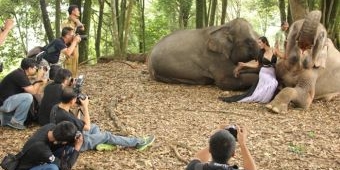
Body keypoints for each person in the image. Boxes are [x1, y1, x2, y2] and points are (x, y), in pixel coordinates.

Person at [49, 87, 155, 152]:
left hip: (67, 136)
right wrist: (85, 107)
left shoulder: (57, 107)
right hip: (76, 143)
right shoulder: (67, 117)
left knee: (95, 127)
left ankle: (99, 143)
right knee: (106, 135)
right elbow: (87, 127)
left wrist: (78, 109)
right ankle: (138, 142)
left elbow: (76, 122)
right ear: (72, 100)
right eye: (76, 99)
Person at [219, 36, 278, 103]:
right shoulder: (261, 53)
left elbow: (284, 56)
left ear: (265, 42)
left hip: (272, 73)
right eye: (258, 43)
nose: (259, 45)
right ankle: (262, 98)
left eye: (260, 43)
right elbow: (256, 65)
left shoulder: (273, 50)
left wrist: (278, 48)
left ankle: (263, 96)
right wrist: (244, 64)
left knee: (271, 84)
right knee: (274, 83)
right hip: (264, 72)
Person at [0, 58, 47, 130]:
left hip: (6, 102)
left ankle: (8, 120)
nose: (36, 70)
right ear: (29, 68)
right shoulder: (19, 75)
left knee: (28, 96)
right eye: (35, 68)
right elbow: (33, 92)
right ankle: (17, 122)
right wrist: (38, 78)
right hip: (4, 103)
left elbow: (37, 92)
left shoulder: (20, 73)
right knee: (28, 97)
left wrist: (40, 81)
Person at [16, 121, 83, 170]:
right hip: (28, 167)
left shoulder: (51, 126)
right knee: (53, 168)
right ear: (62, 142)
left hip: (41, 157)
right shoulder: (41, 148)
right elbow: (66, 167)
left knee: (70, 149)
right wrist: (77, 149)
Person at [186, 124, 257, 170]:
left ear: (210, 150)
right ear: (233, 154)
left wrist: (217, 136)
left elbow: (198, 158)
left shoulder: (195, 167)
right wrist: (243, 144)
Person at [61, 4, 85, 77]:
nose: (79, 12)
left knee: (75, 67)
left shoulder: (76, 22)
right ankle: (67, 83)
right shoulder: (66, 22)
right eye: (77, 10)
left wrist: (77, 21)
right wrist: (75, 38)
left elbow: (82, 28)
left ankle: (73, 82)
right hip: (68, 47)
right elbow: (67, 36)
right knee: (69, 66)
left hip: (75, 47)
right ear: (73, 11)